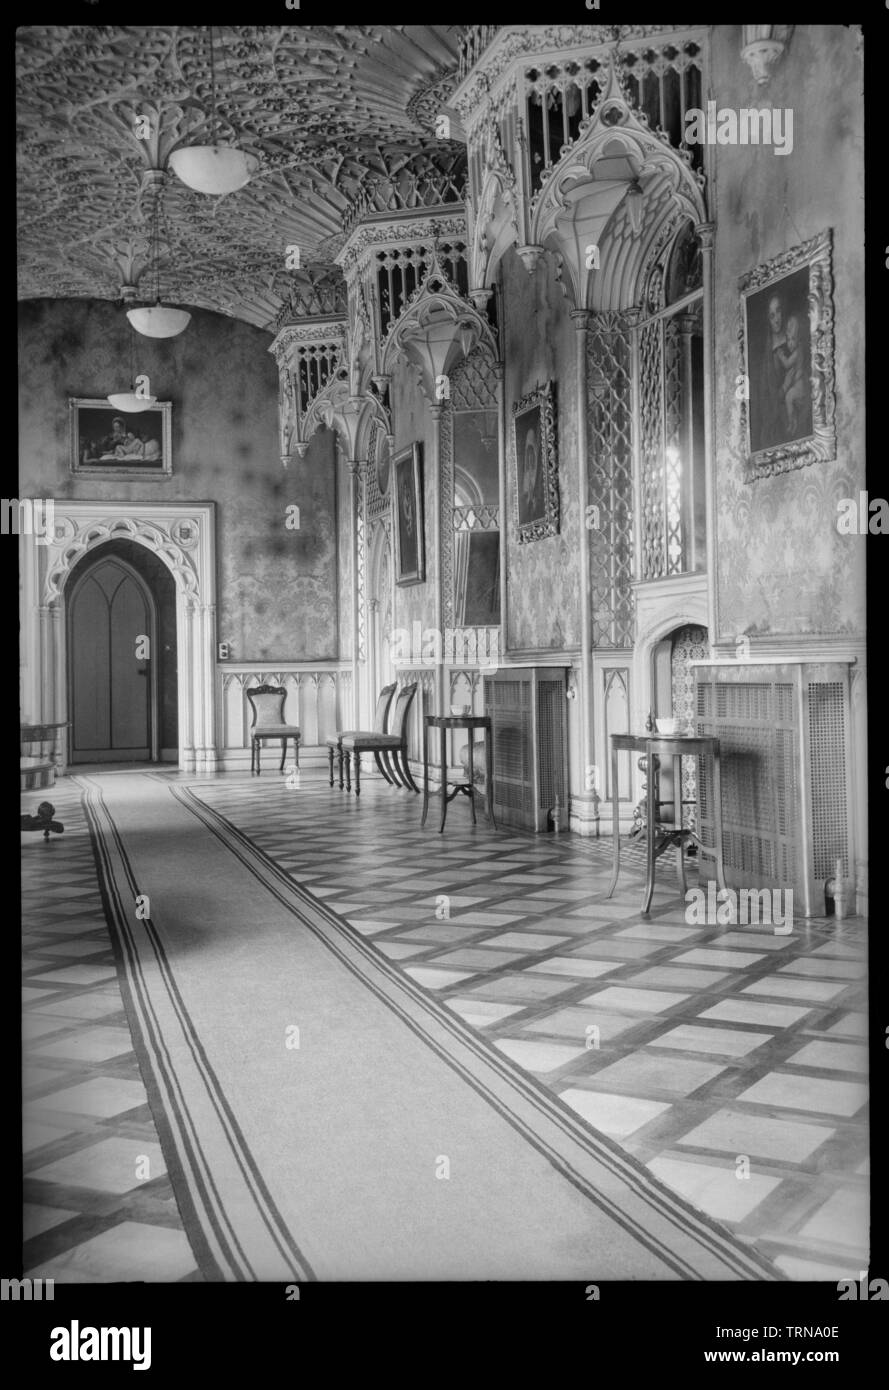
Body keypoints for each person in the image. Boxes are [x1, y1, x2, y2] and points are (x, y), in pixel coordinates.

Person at [775, 313, 807, 437]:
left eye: (793, 339)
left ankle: (792, 422)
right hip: (797, 385)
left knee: (788, 397)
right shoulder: (798, 350)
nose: (790, 343)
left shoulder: (798, 351)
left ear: (799, 339)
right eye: (788, 339)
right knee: (789, 398)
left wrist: (781, 356)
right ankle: (793, 421)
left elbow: (787, 364)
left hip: (800, 386)